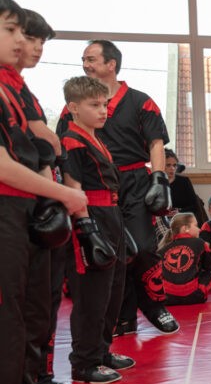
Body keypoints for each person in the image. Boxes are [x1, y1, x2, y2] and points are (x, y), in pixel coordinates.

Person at [0, 0, 87, 384]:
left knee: (27, 310)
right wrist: (63, 194)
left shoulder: (15, 89)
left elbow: (43, 144)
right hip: (9, 204)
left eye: (26, 34)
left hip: (23, 207)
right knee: (8, 314)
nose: (23, 43)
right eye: (13, 31)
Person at [58, 39, 178, 336]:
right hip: (95, 186)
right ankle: (123, 316)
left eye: (91, 59)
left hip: (135, 182)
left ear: (111, 64)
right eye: (83, 60)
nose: (85, 64)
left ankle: (154, 305)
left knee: (144, 248)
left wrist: (159, 178)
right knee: (113, 254)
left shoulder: (140, 101)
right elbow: (63, 148)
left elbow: (156, 143)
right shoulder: (74, 108)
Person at [60, 75, 141, 384]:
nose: (103, 111)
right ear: (73, 107)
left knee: (113, 290)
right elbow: (73, 186)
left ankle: (102, 351)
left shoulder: (96, 139)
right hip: (90, 215)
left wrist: (119, 227)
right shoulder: (72, 140)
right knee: (92, 294)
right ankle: (84, 362)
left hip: (111, 215)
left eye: (105, 104)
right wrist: (86, 227)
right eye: (94, 105)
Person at [159, 212, 211, 305]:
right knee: (210, 272)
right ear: (185, 228)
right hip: (194, 296)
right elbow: (210, 266)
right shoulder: (200, 243)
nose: (199, 229)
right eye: (196, 226)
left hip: (168, 298)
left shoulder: (162, 249)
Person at [163, 149, 205, 222]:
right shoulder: (157, 182)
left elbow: (195, 206)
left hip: (182, 218)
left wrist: (179, 212)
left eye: (174, 165)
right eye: (168, 165)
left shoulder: (184, 181)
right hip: (163, 218)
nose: (172, 168)